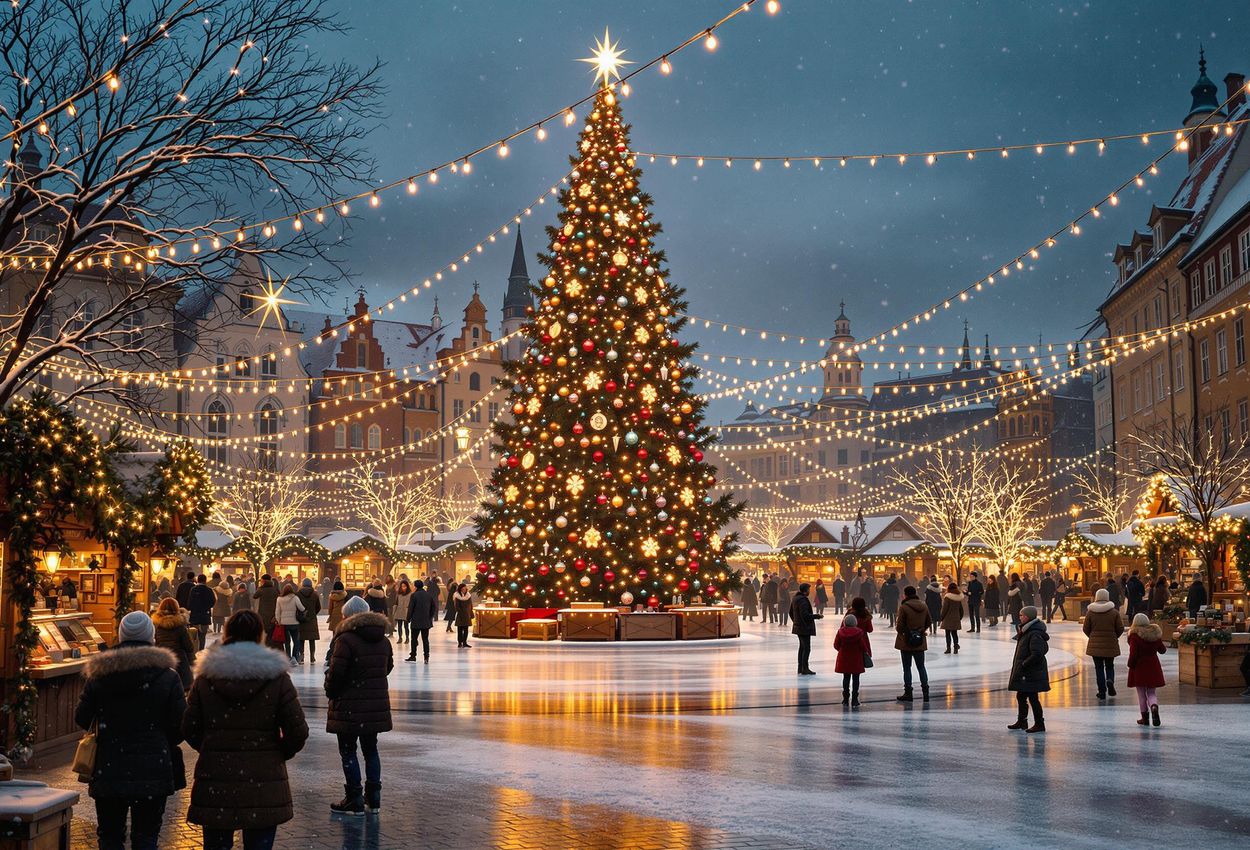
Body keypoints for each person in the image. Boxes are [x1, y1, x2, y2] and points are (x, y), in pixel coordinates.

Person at [184, 610, 308, 850]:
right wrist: (277, 752)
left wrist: (212, 748)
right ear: (259, 635)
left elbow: (189, 727)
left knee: (216, 844)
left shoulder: (206, 678)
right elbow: (298, 731)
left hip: (216, 778)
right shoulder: (277, 678)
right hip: (264, 780)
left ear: (228, 634)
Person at [75, 611, 186, 850]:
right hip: (153, 768)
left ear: (121, 635)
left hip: (109, 766)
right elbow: (180, 726)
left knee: (110, 836)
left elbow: (82, 717)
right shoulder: (168, 677)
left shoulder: (100, 674)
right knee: (146, 837)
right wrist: (159, 737)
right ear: (151, 636)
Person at [324, 595, 393, 815]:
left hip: (348, 705)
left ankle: (354, 798)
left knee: (348, 750)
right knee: (371, 750)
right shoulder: (383, 640)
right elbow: (387, 667)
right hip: (374, 706)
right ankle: (373, 799)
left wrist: (331, 690)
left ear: (347, 616)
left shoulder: (345, 640)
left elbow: (336, 673)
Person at [1007, 606, 1049, 733]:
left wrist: (1024, 664)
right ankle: (1022, 721)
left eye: (1022, 615)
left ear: (1028, 617)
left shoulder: (1034, 633)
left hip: (1031, 672)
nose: (1020, 617)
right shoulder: (1026, 630)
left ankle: (1039, 723)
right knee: (1021, 696)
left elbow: (1037, 653)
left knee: (1032, 697)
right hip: (1027, 671)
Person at [1083, 587, 1124, 700]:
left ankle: (1101, 692)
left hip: (1095, 646)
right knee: (1110, 666)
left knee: (1099, 668)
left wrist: (1092, 637)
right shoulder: (1114, 612)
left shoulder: (1090, 612)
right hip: (1110, 644)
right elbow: (1120, 628)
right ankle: (1110, 680)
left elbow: (1086, 628)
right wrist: (1114, 636)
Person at [1126, 612, 1166, 727]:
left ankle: (1145, 718)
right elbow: (1162, 650)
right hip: (1153, 666)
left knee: (1141, 694)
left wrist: (1131, 665)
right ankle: (1154, 706)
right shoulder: (1154, 634)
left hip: (1140, 667)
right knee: (1151, 692)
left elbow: (1133, 654)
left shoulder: (1134, 636)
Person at [894, 585, 932, 702]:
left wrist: (906, 632)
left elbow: (900, 626)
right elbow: (929, 621)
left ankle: (908, 692)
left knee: (907, 668)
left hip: (906, 642)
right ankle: (925, 692)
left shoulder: (904, 607)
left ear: (905, 594)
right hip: (920, 641)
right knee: (921, 667)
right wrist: (920, 631)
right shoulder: (924, 606)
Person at [153, 596, 196, 690]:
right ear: (177, 608)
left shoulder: (157, 626)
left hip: (162, 661)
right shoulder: (180, 627)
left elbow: (155, 644)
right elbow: (189, 647)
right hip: (180, 663)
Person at [834, 613, 871, 706]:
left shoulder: (840, 632)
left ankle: (845, 699)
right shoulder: (859, 633)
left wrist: (842, 650)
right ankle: (855, 699)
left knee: (846, 678)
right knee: (856, 679)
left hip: (844, 658)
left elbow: (836, 645)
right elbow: (863, 647)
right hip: (856, 659)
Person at [789, 582, 822, 675]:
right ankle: (805, 668)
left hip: (799, 627)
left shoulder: (795, 598)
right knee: (806, 648)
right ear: (805, 590)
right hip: (804, 628)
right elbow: (805, 615)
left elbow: (790, 612)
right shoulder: (803, 600)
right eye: (808, 590)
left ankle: (800, 668)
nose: (809, 591)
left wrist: (796, 622)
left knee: (802, 648)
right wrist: (817, 616)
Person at [405, 579, 439, 663]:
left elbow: (411, 608)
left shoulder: (414, 595)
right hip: (425, 621)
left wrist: (408, 618)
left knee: (414, 639)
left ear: (416, 586)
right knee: (425, 639)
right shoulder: (428, 595)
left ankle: (413, 655)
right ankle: (426, 656)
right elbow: (433, 607)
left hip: (416, 621)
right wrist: (429, 617)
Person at [274, 583, 305, 663]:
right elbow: (301, 608)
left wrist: (279, 621)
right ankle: (294, 657)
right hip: (294, 623)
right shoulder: (295, 598)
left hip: (284, 623)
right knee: (296, 641)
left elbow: (277, 611)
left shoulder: (279, 599)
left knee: (287, 642)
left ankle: (288, 657)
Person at [296, 578, 322, 665]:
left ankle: (301, 656)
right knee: (312, 639)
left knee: (301, 639)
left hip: (301, 619)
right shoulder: (315, 594)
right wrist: (313, 613)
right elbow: (318, 607)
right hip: (312, 620)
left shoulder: (298, 594)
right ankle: (312, 657)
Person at [187, 574, 216, 652]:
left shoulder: (193, 589)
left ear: (198, 580)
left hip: (195, 615)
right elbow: (213, 601)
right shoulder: (209, 590)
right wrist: (207, 608)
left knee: (194, 634)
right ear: (205, 580)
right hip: (205, 615)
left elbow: (189, 603)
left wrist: (193, 609)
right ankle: (201, 650)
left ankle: (194, 650)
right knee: (203, 635)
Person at [940, 582, 964, 655]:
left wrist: (941, 617)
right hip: (955, 618)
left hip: (947, 618)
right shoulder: (958, 597)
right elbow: (961, 610)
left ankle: (948, 648)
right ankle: (956, 648)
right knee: (954, 633)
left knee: (947, 634)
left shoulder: (947, 597)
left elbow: (944, 609)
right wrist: (959, 617)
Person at [453, 583, 474, 648]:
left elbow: (470, 605)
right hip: (460, 615)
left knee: (466, 630)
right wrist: (461, 612)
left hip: (467, 615)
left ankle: (465, 642)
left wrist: (470, 612)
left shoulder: (468, 596)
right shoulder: (457, 596)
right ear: (460, 589)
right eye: (463, 588)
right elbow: (456, 606)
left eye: (465, 588)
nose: (464, 590)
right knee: (460, 630)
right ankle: (460, 642)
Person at [393, 579, 413, 644]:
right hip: (399, 611)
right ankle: (400, 638)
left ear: (407, 586)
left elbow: (411, 604)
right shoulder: (399, 594)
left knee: (406, 626)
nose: (403, 588)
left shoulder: (410, 594)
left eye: (404, 586)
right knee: (399, 626)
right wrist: (394, 612)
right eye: (402, 586)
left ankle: (407, 638)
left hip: (406, 612)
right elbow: (396, 603)